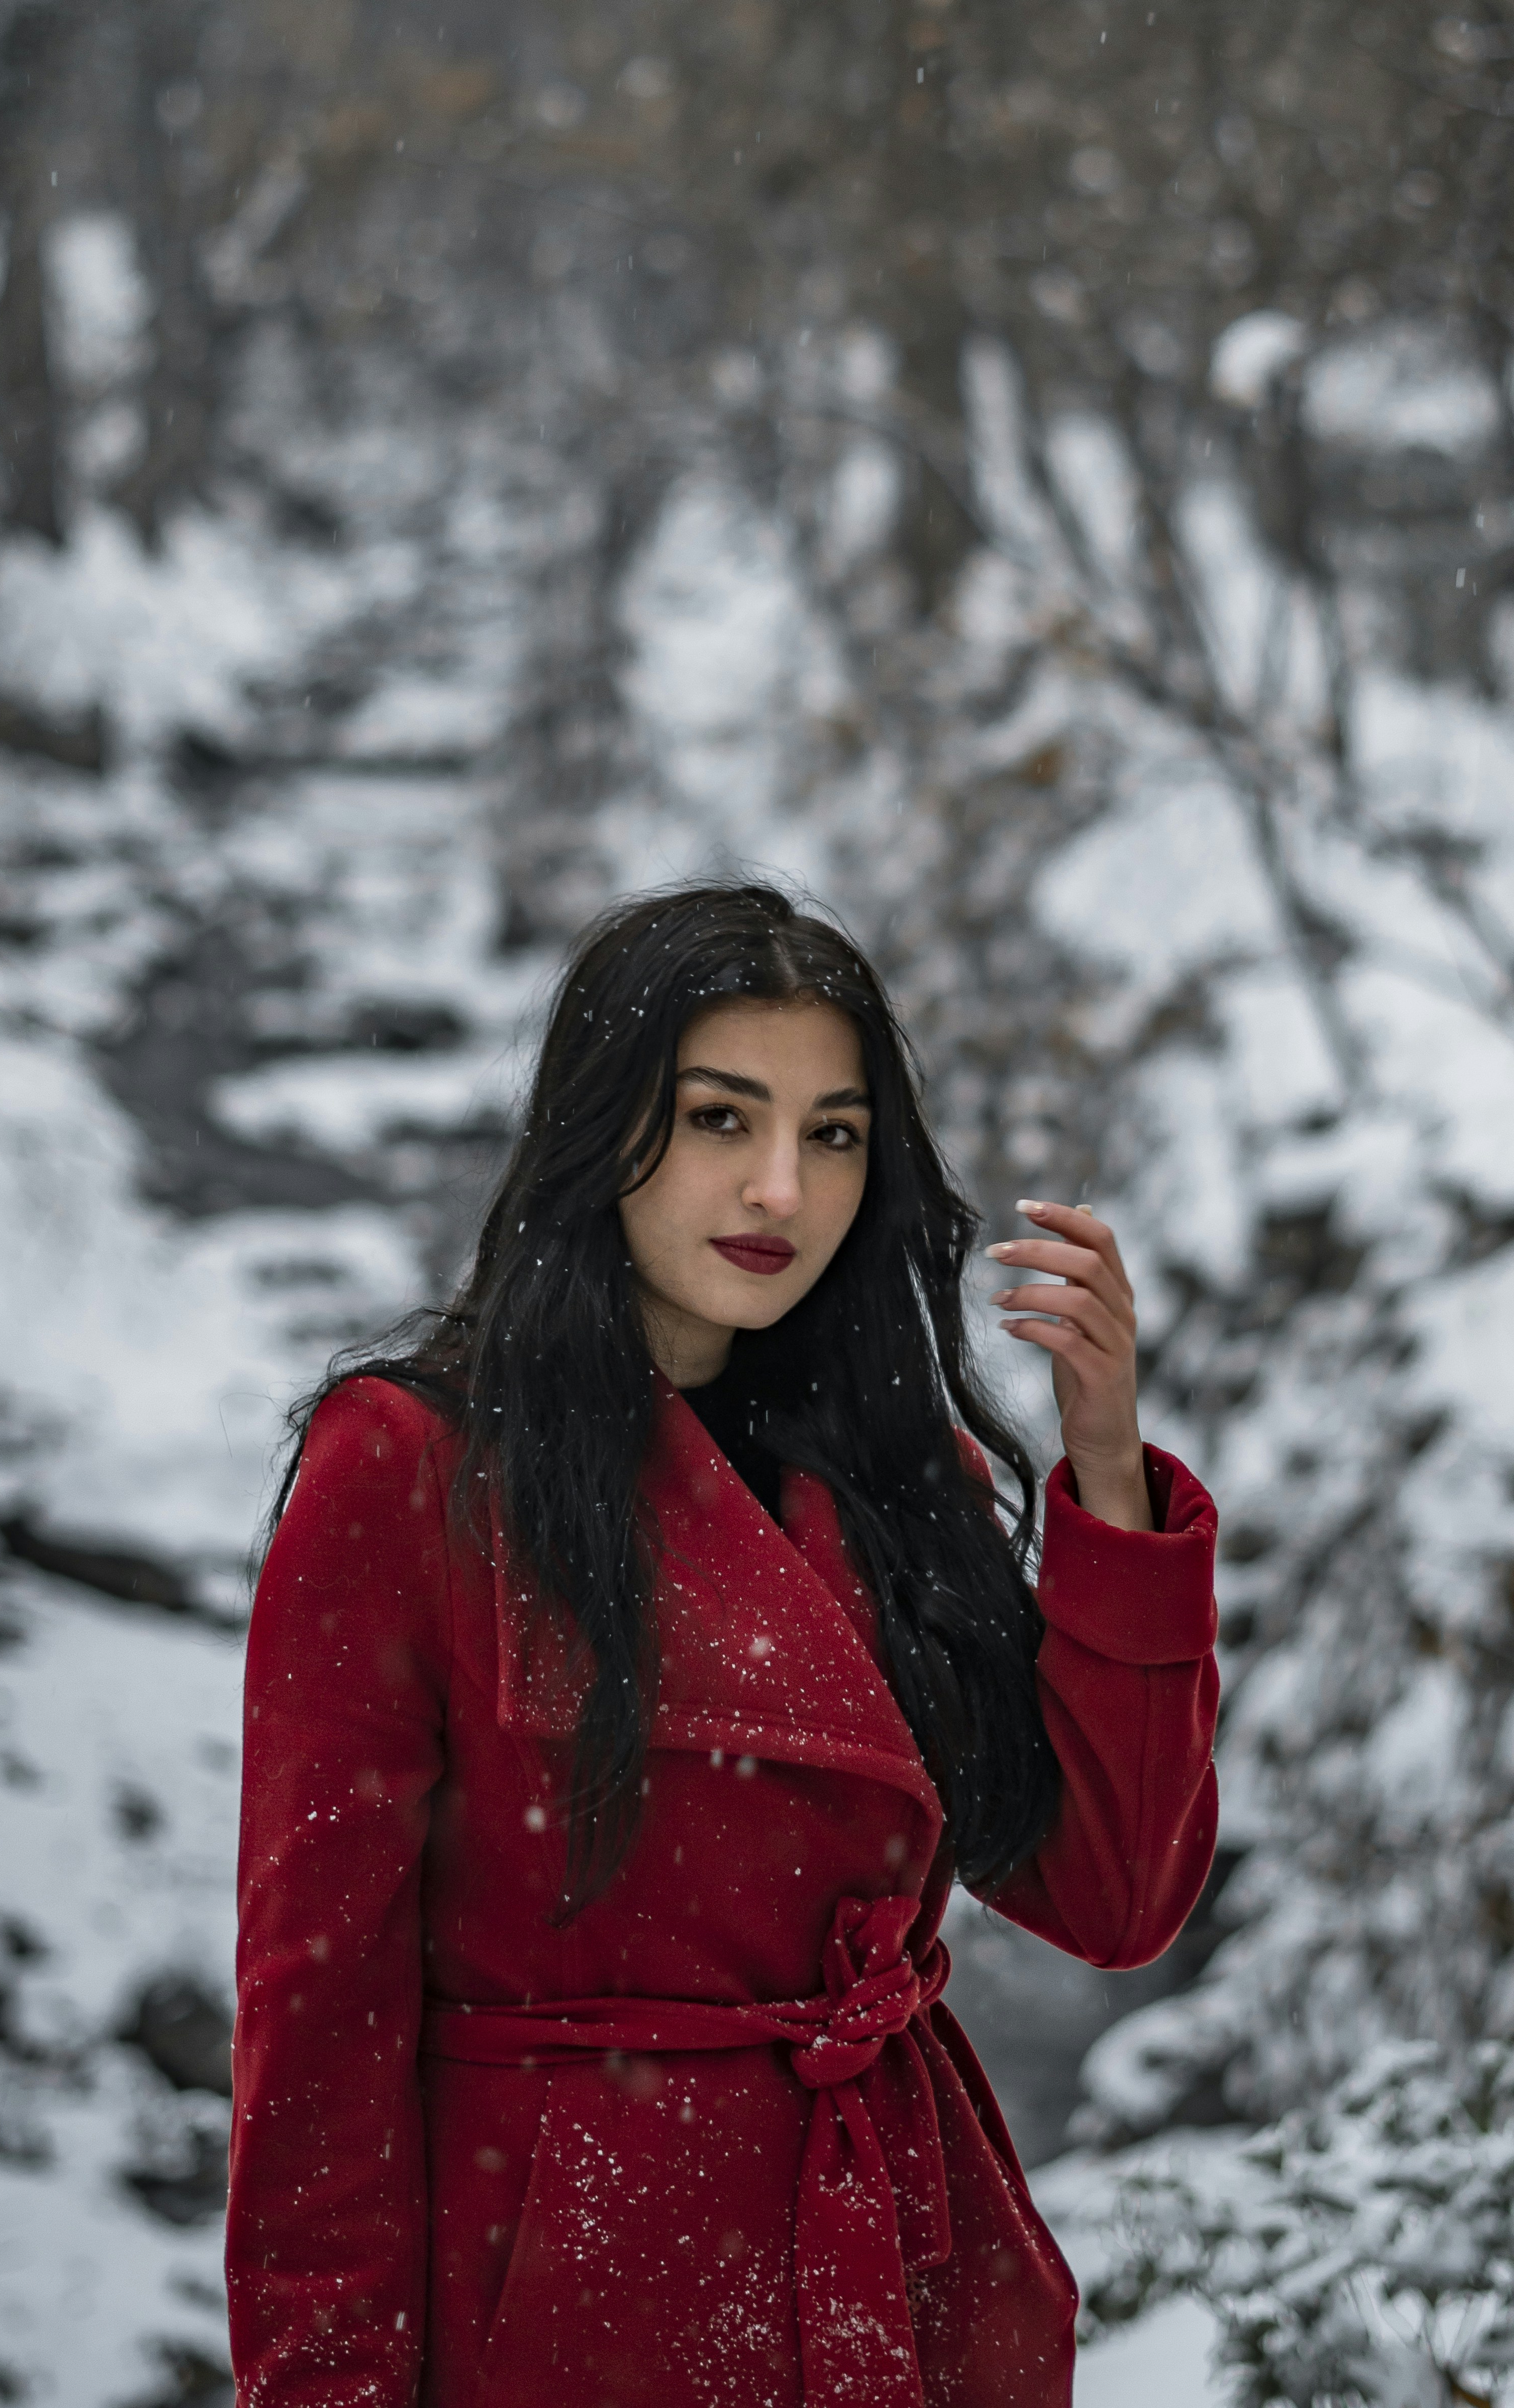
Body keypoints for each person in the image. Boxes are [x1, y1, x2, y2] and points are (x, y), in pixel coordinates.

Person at [225, 882, 1218, 2408]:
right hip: (571, 2321)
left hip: (895, 2288)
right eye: (716, 1119)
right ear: (599, 1129)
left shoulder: (902, 1483)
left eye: (832, 1134)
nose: (778, 1190)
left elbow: (1113, 1896)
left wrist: (1104, 1479)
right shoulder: (415, 1469)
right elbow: (318, 2028)